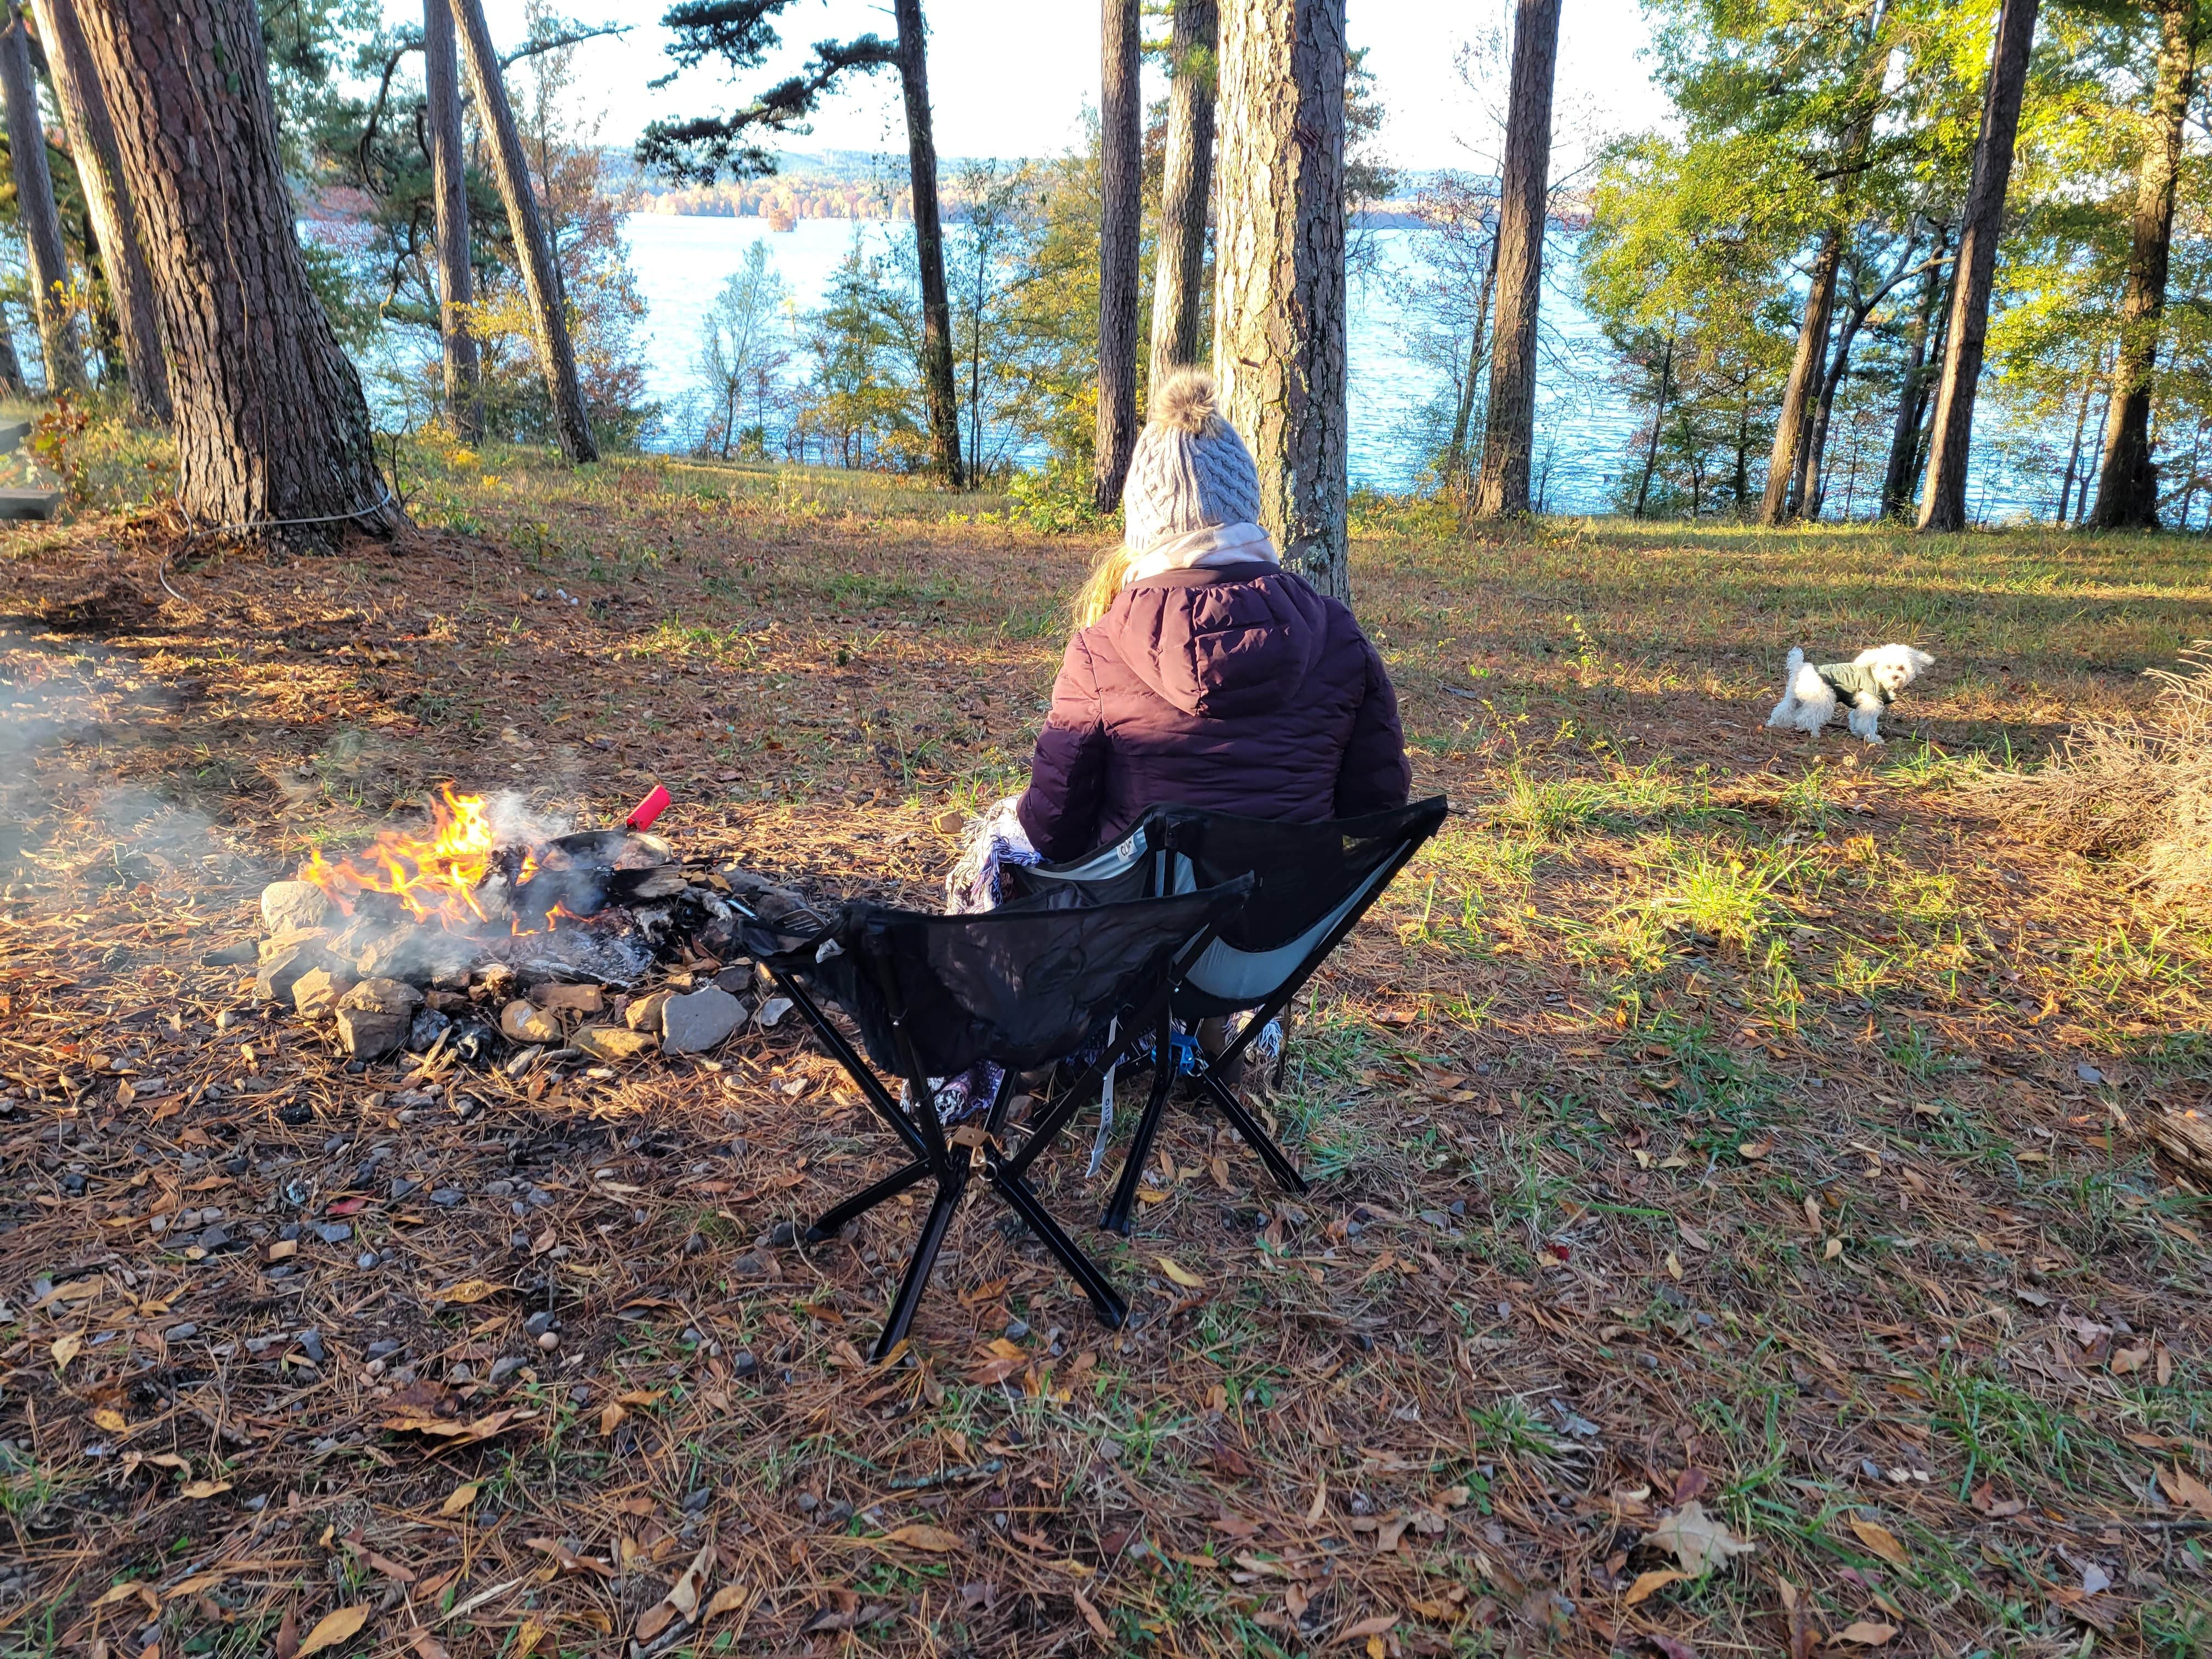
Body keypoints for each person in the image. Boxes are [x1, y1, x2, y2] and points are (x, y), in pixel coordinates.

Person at [934, 370, 1409, 1128]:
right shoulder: (1340, 634)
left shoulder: (1103, 644)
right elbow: (1377, 813)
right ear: (1247, 508)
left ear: (1144, 518)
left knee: (997, 840)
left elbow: (1052, 832)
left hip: (1132, 947)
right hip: (1269, 941)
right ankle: (1233, 1029)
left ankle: (1025, 1046)